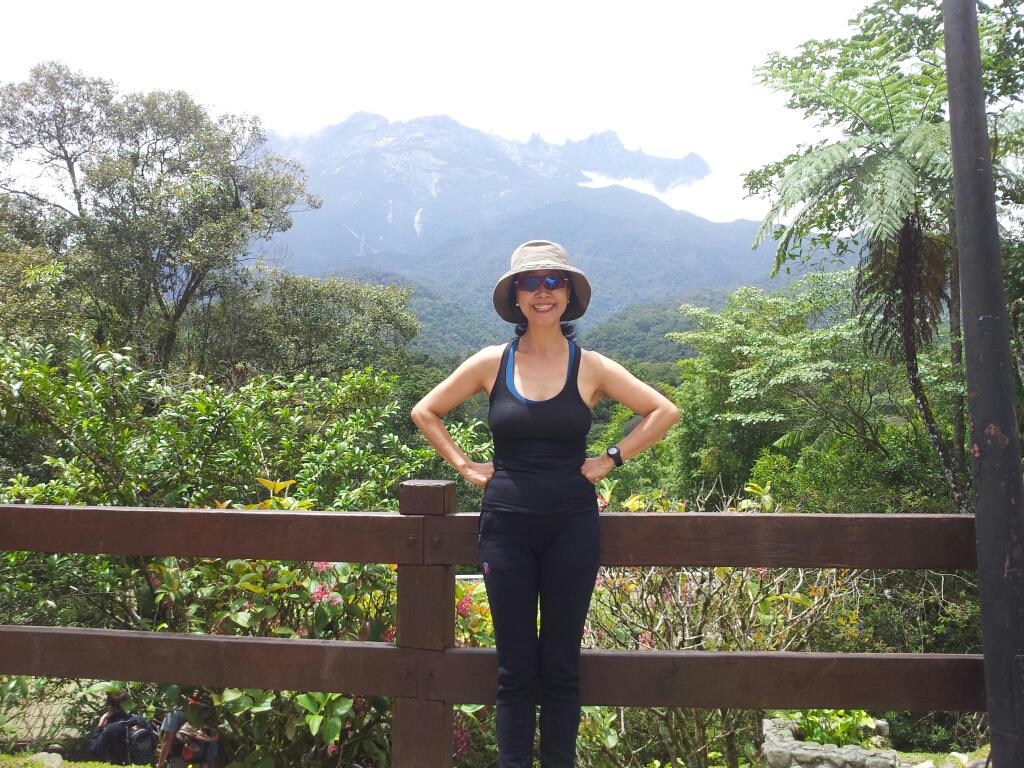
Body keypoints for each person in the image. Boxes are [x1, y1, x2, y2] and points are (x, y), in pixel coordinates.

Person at [411, 240, 679, 767]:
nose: (542, 292)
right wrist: (464, 466)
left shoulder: (590, 366)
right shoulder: (492, 362)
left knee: (560, 665)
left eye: (553, 281)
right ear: (515, 296)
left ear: (569, 294)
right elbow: (426, 411)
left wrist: (611, 458)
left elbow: (663, 411)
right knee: (514, 668)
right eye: (530, 282)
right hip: (506, 529)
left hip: (572, 529)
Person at [156, 689, 219, 768]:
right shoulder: (210, 708)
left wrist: (160, 764)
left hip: (181, 759)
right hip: (206, 757)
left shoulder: (175, 711)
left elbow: (167, 739)